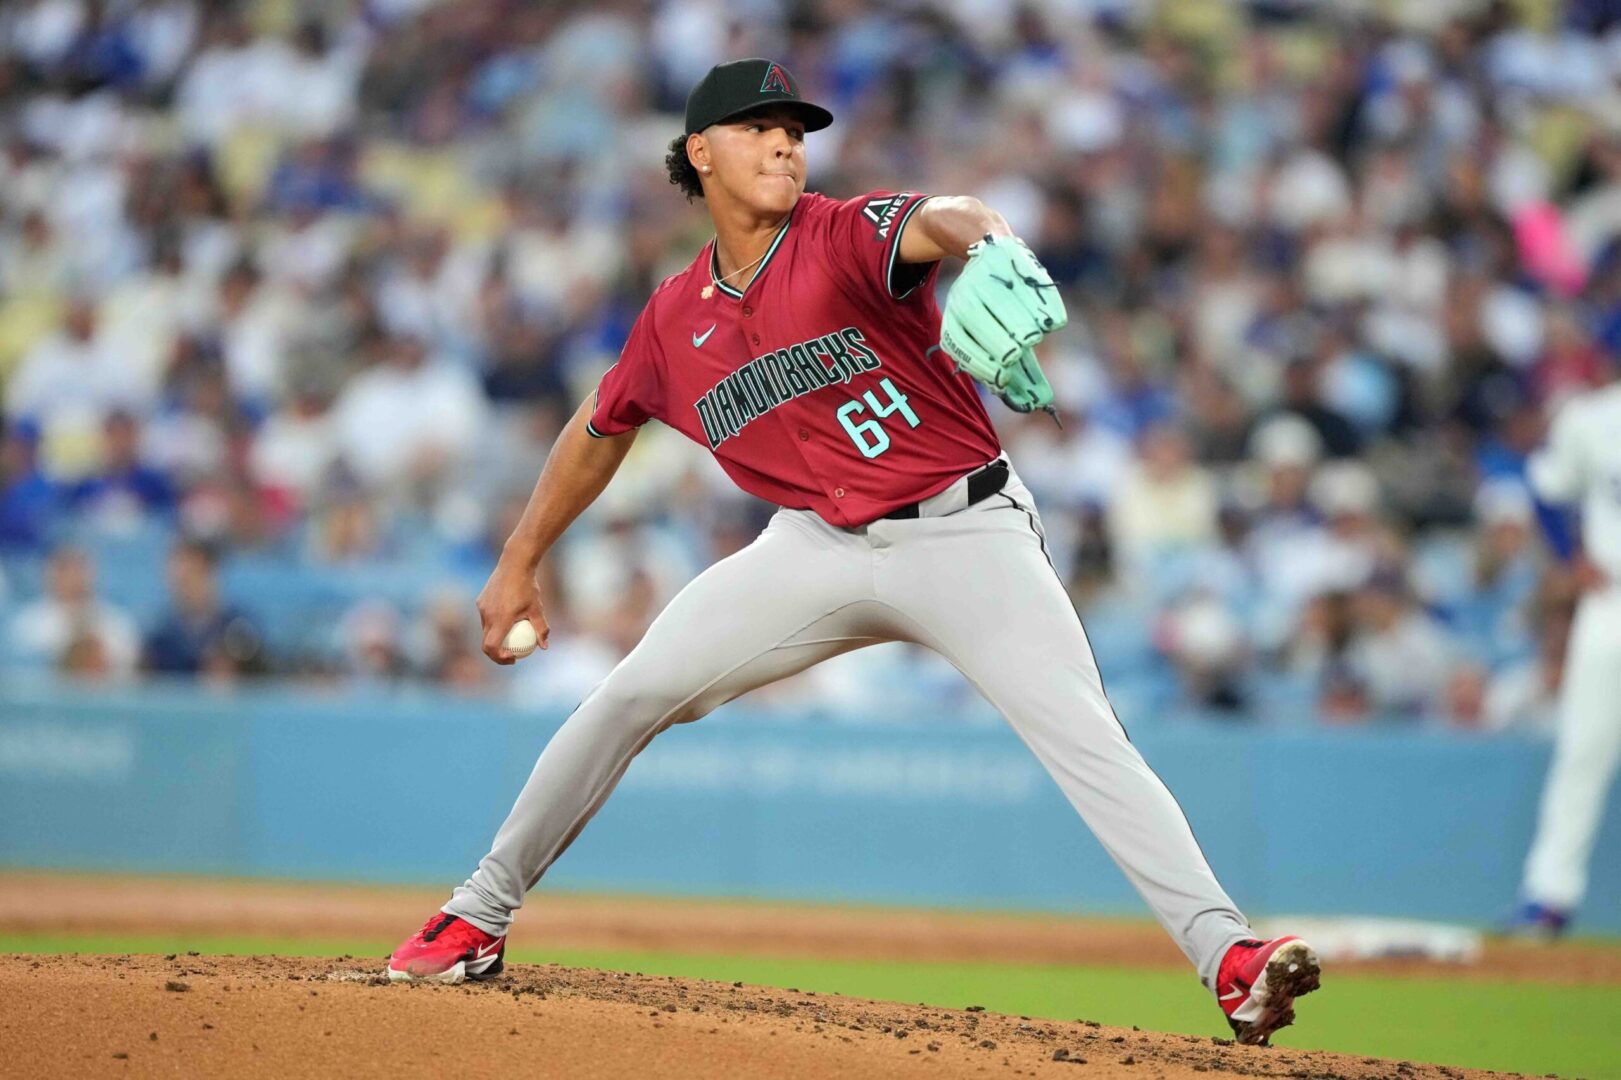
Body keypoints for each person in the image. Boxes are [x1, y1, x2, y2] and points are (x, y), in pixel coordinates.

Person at [387, 60, 1320, 1044]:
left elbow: (944, 215)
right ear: (700, 152)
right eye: (759, 126)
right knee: (626, 694)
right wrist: (517, 558)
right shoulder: (675, 316)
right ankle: (475, 920)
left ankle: (1228, 959)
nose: (786, 141)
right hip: (813, 547)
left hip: (965, 531)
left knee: (1083, 734)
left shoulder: (840, 234)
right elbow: (603, 420)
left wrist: (992, 242)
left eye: (795, 127)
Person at [1505, 360, 1621, 938]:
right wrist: (1570, 555)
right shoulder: (1593, 418)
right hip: (1611, 604)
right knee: (1582, 751)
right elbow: (1546, 487)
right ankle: (1549, 896)